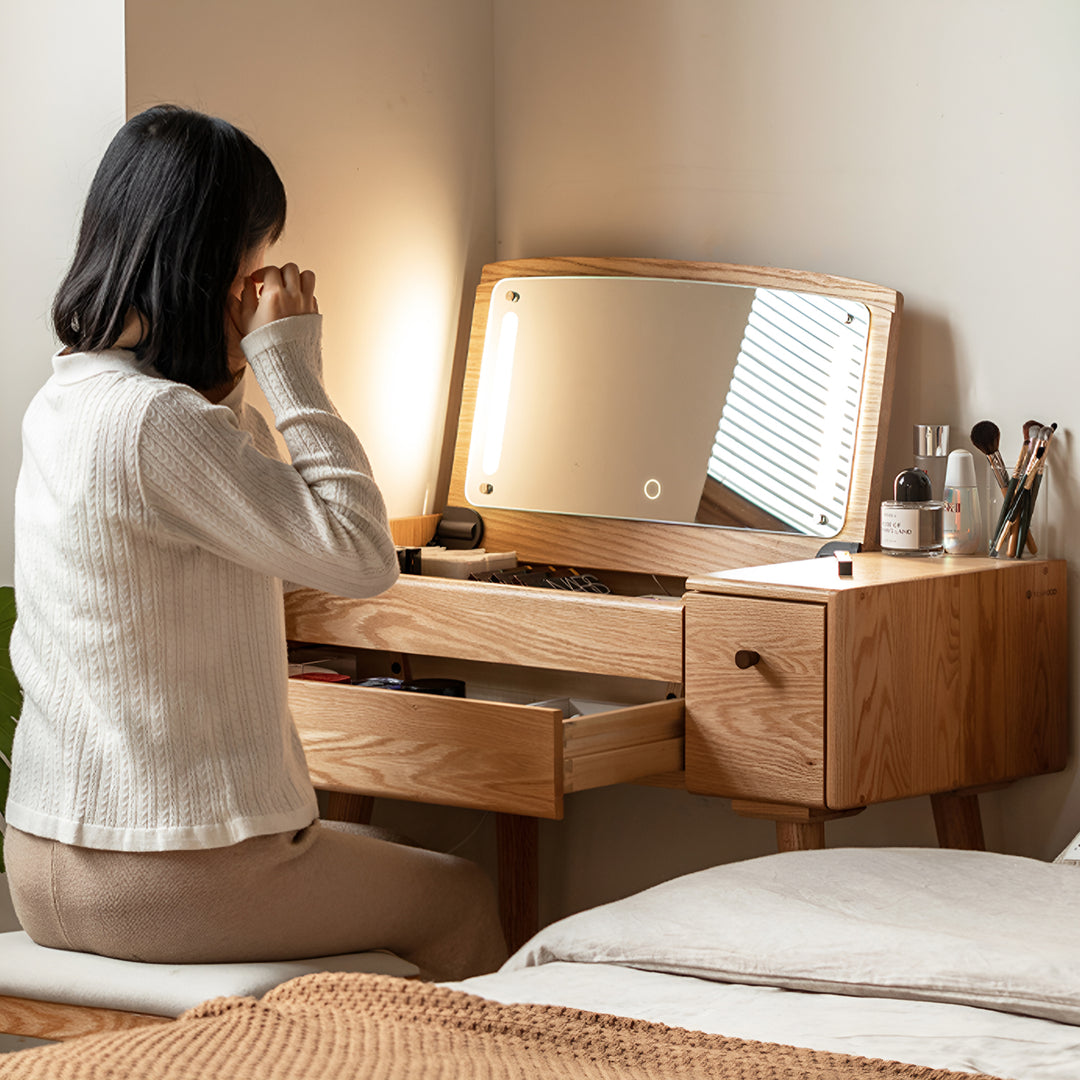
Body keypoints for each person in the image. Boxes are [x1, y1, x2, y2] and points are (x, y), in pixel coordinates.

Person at [3, 104, 506, 980]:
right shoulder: (160, 423)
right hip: (163, 874)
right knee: (458, 893)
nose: (262, 278)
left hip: (44, 865)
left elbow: (225, 474)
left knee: (367, 859)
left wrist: (233, 361)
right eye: (254, 254)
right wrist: (289, 359)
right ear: (211, 264)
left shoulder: (71, 398)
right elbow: (359, 556)